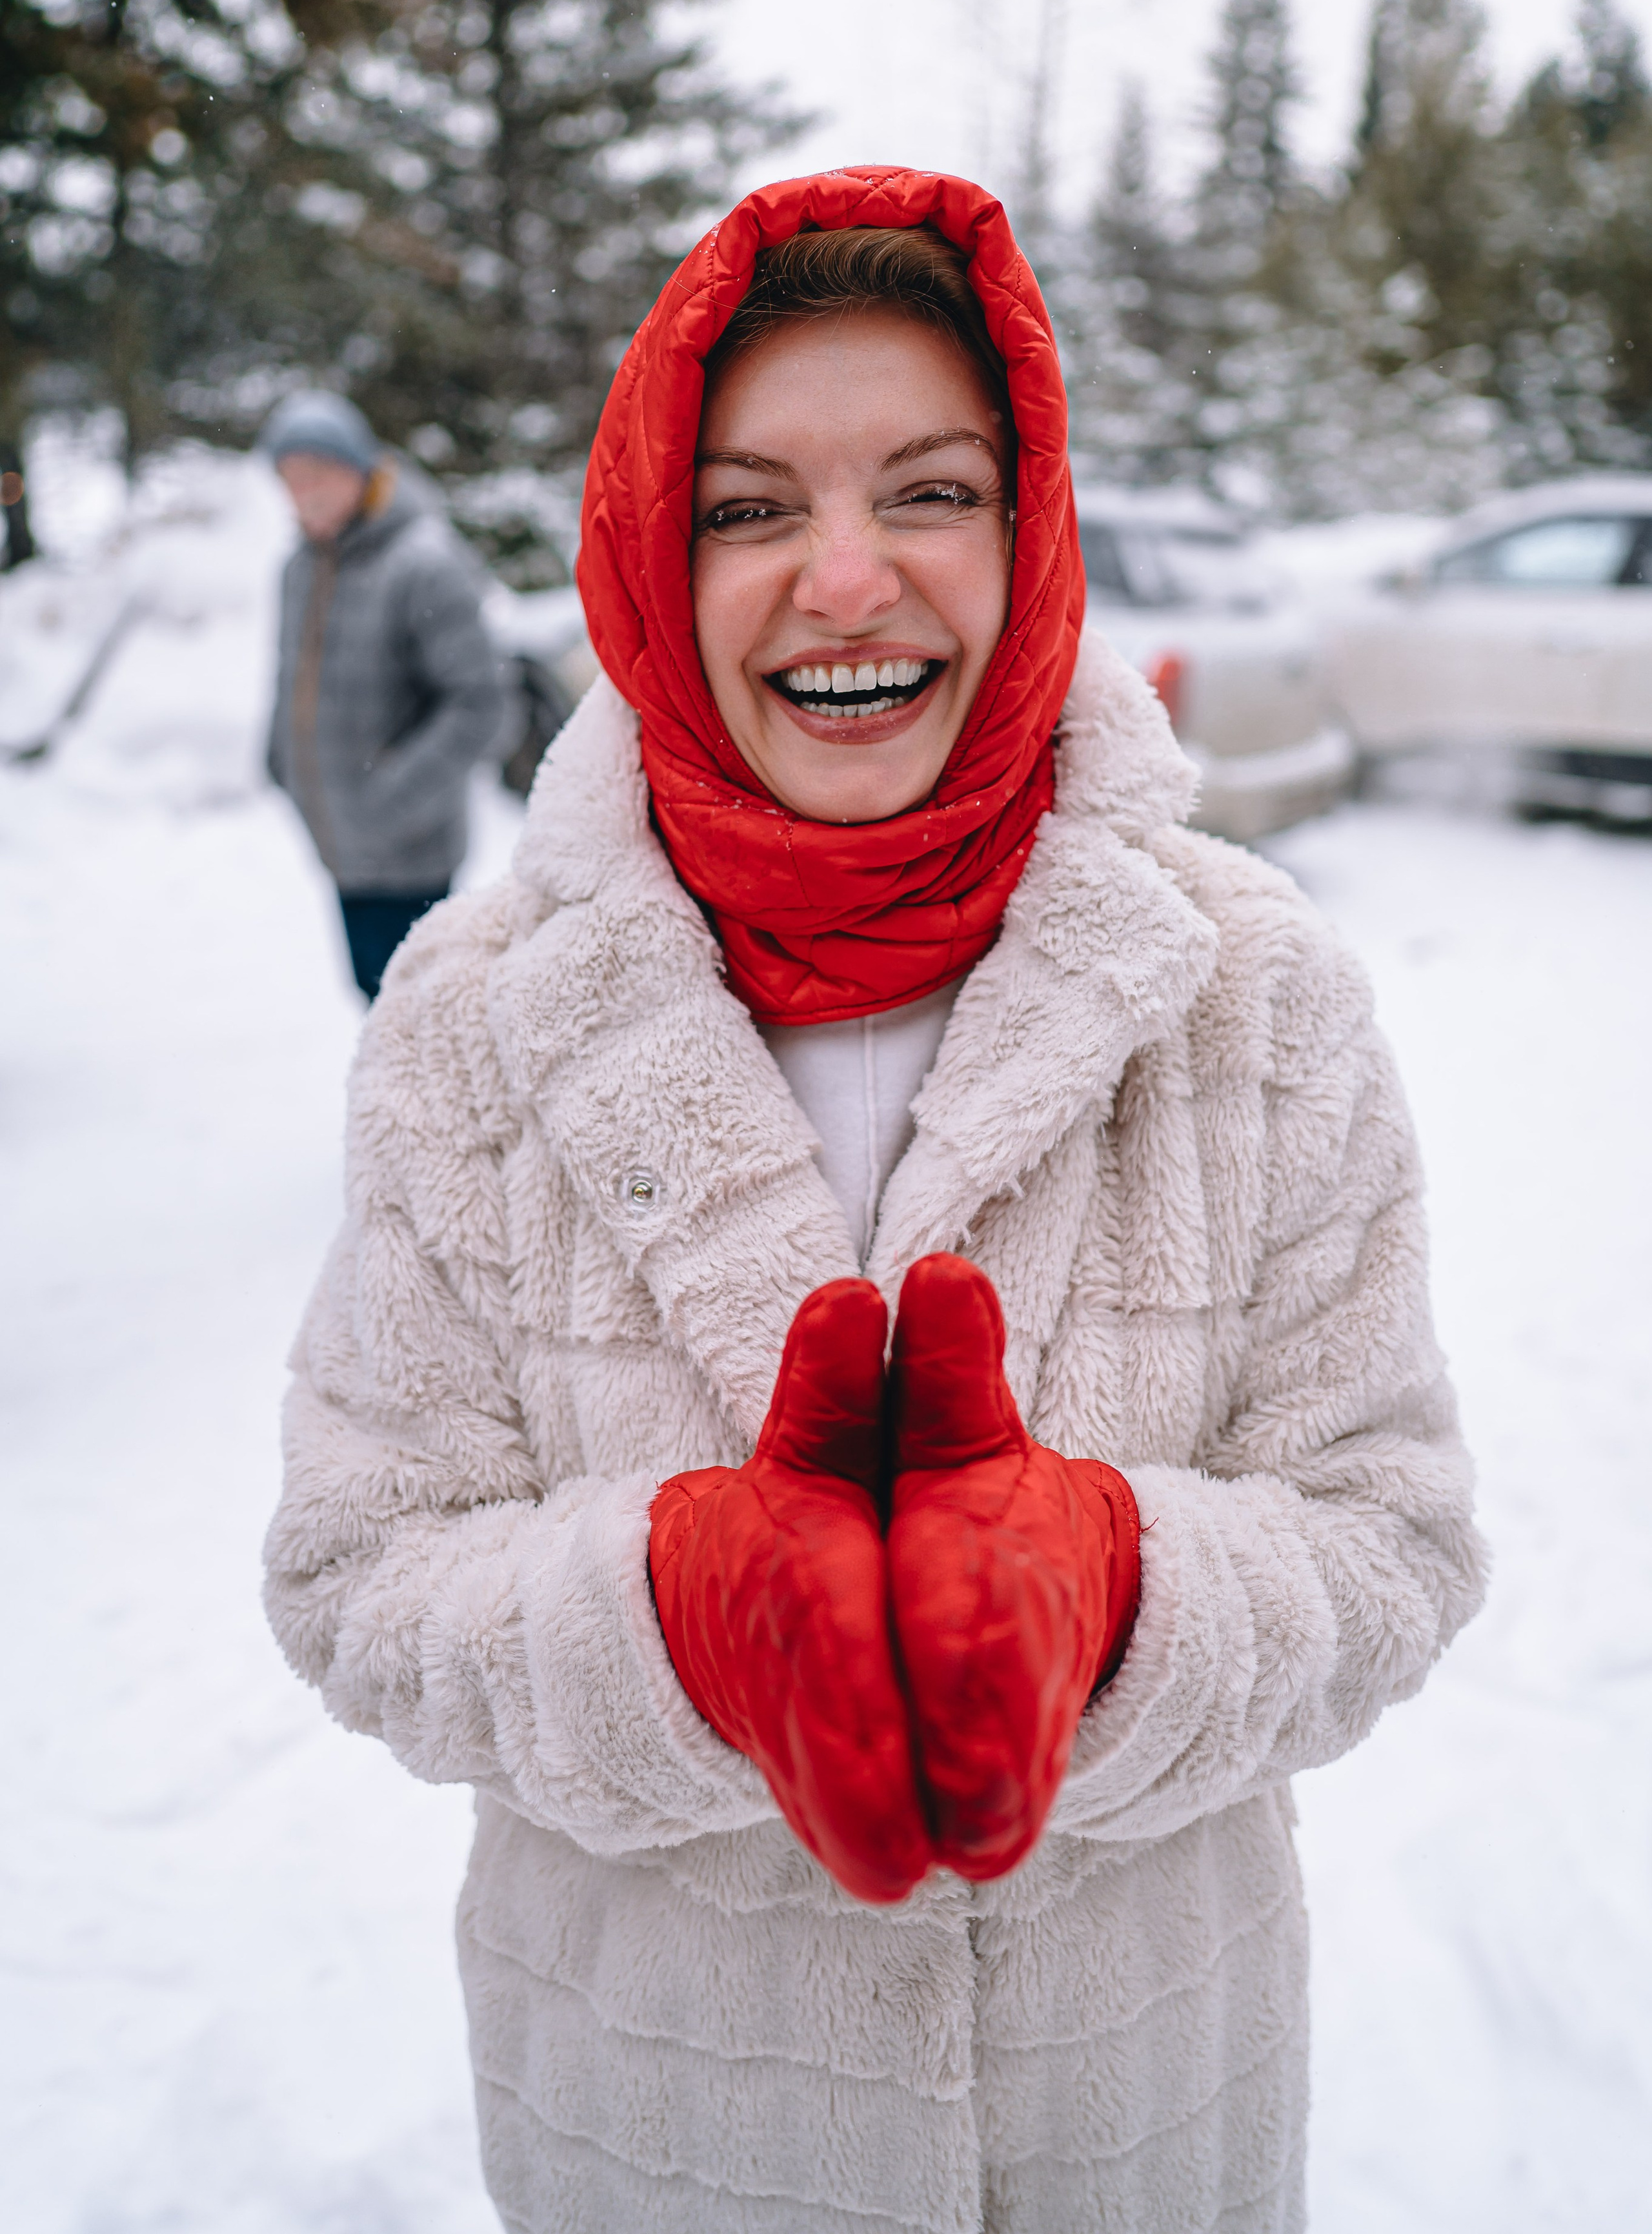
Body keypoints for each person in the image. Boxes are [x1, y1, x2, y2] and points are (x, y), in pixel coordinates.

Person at [264, 168, 1486, 2231]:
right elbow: (358, 1572)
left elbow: (1391, 1536)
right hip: (655, 2134)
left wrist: (1114, 1593)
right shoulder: (474, 1022)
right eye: (745, 508)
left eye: (927, 490)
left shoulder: (1249, 989)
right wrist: (670, 1621)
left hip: (1142, 2123)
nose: (845, 579)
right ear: (653, 559)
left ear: (1029, 539)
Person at [260, 389, 503, 999]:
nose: (302, 493)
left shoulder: (424, 565)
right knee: (374, 1000)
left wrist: (391, 797)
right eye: (289, 479)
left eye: (316, 474)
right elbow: (291, 675)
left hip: (410, 854)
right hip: (339, 843)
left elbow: (484, 703)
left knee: (424, 1019)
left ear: (359, 470)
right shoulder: (301, 568)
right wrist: (278, 761)